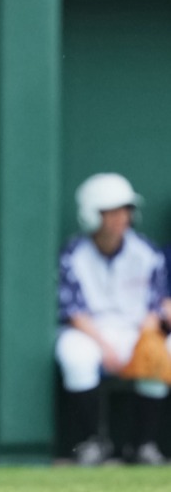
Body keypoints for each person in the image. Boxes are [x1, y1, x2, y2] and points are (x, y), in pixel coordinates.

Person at [56, 172, 170, 466]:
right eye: (112, 212)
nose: (121, 218)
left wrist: (150, 331)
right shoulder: (73, 254)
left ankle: (143, 445)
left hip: (133, 330)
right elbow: (73, 311)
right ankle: (93, 443)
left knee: (161, 351)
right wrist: (104, 346)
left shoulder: (146, 251)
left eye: (125, 211)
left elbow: (157, 302)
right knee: (75, 354)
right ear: (92, 214)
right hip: (89, 332)